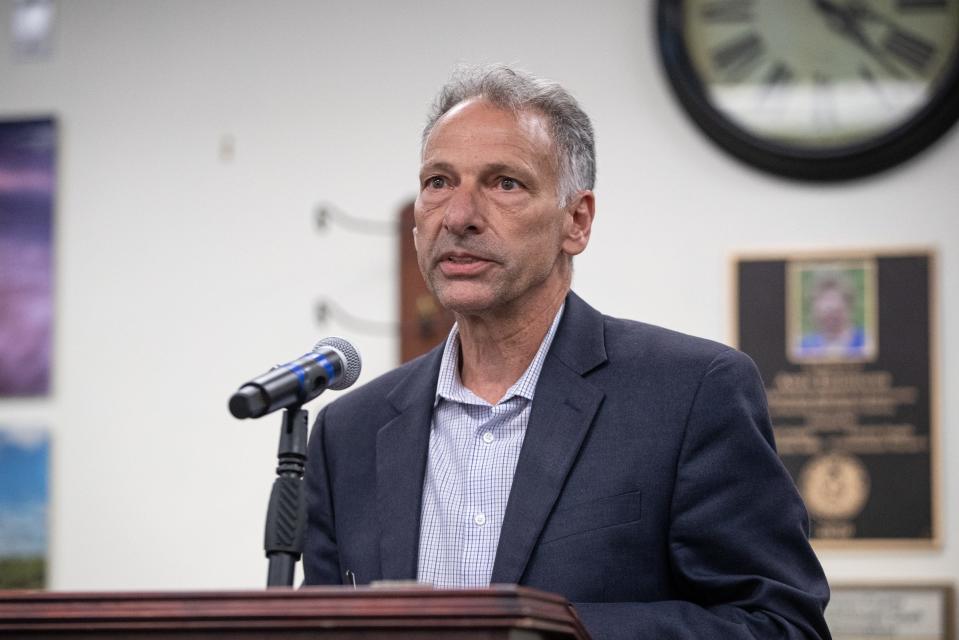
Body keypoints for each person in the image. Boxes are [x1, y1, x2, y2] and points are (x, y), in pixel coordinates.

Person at [303, 64, 831, 640]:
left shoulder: (691, 393)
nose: (458, 216)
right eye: (438, 182)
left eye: (505, 182)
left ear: (576, 222)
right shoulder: (347, 433)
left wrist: (554, 632)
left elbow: (780, 625)